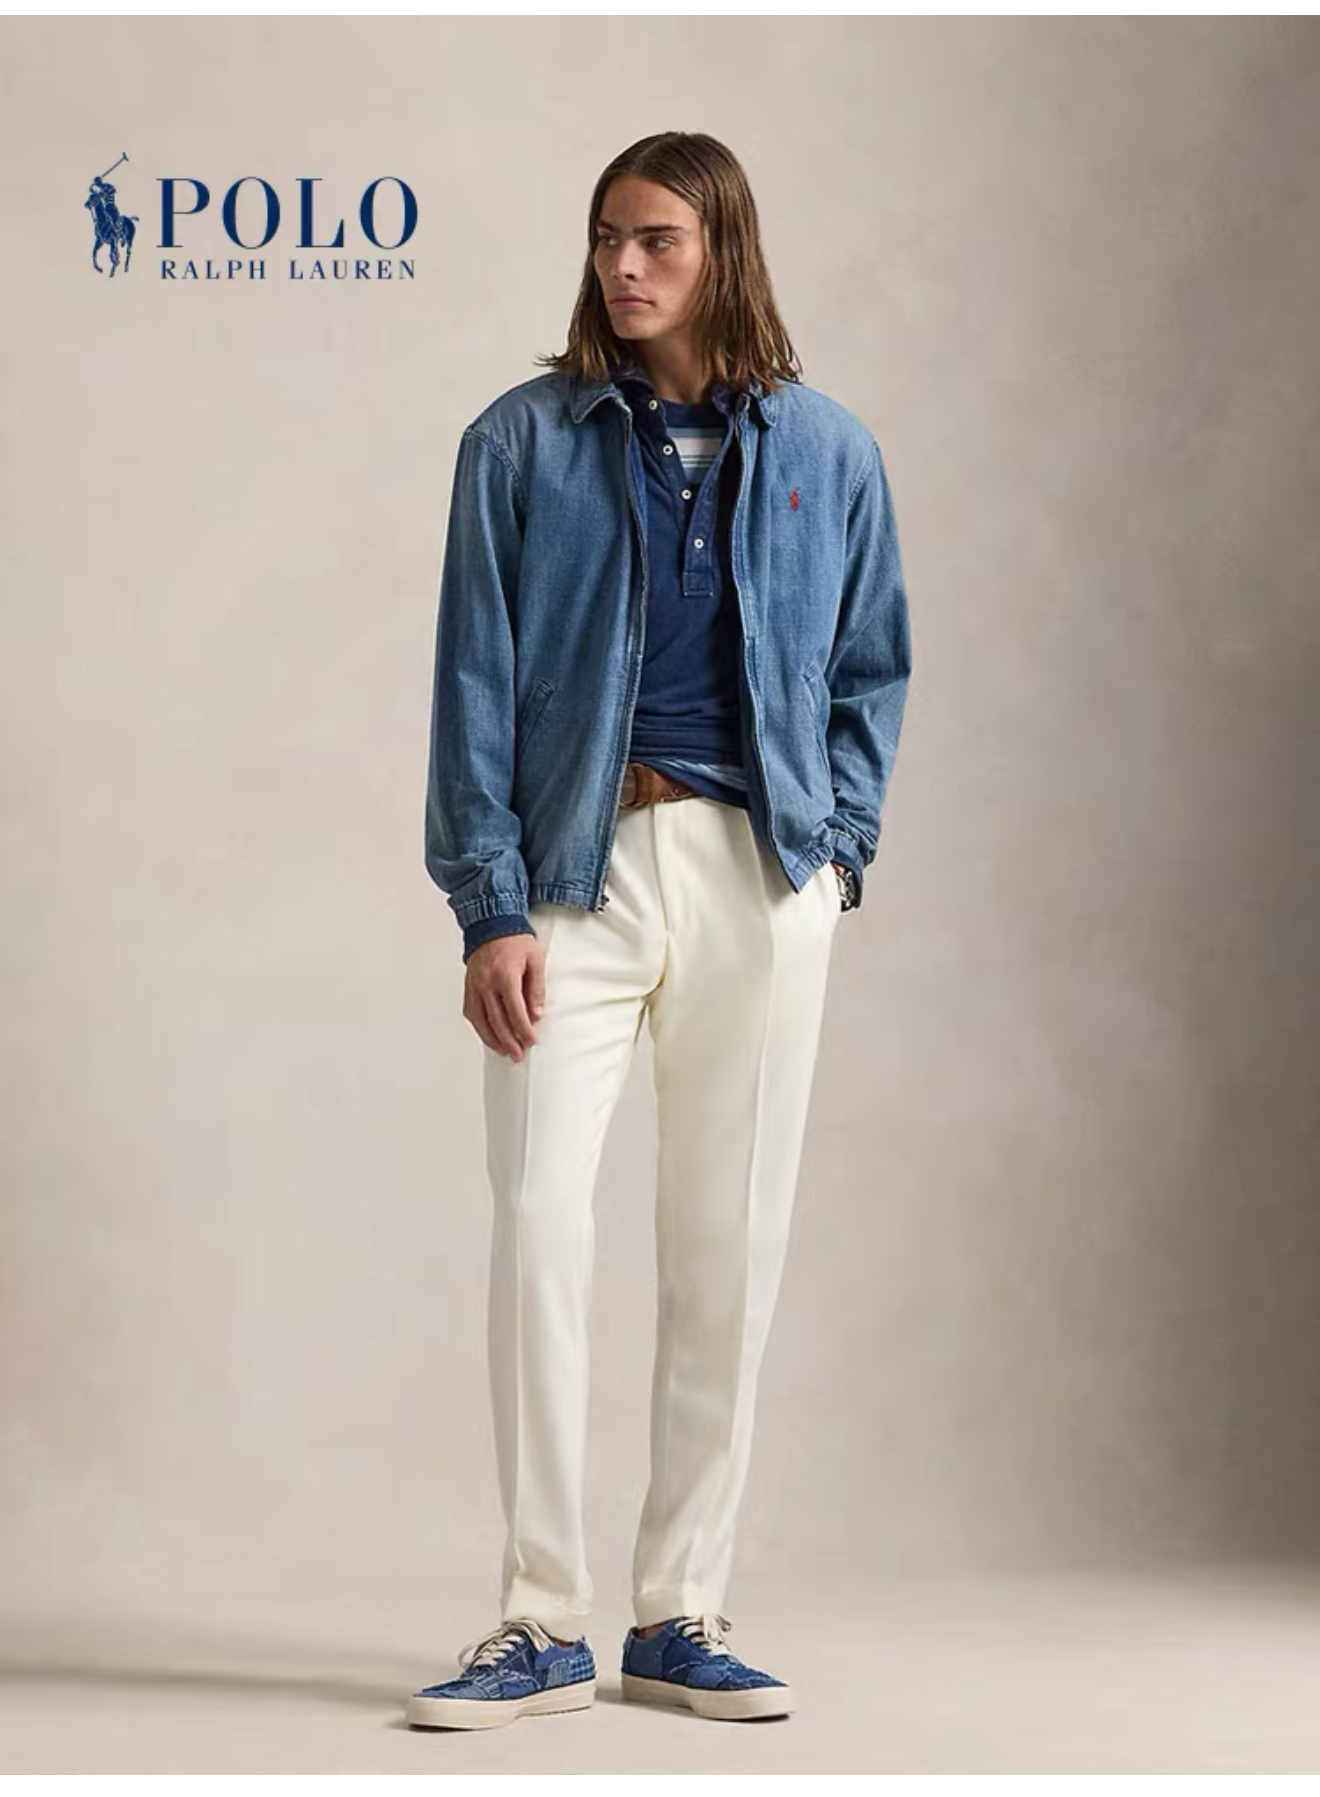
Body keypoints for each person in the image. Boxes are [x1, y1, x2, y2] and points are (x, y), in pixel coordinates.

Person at [409, 131, 912, 1732]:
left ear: (723, 253)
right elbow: (473, 685)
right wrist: (491, 905)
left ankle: (680, 1607)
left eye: (658, 243)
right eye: (606, 239)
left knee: (726, 1247)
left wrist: (834, 856)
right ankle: (539, 1615)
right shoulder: (521, 442)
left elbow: (872, 668)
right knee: (539, 1221)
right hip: (573, 874)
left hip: (761, 876)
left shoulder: (829, 450)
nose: (623, 268)